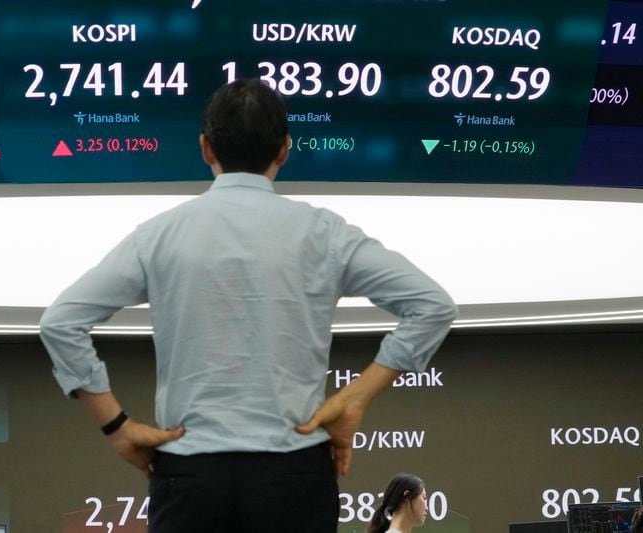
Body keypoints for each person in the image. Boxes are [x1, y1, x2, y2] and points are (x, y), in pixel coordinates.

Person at [39, 78, 457, 533]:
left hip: (189, 480)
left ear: (205, 148)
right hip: (295, 477)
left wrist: (116, 426)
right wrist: (354, 397)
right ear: (284, 149)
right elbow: (432, 305)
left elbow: (61, 322)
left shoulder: (159, 236)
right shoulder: (325, 234)